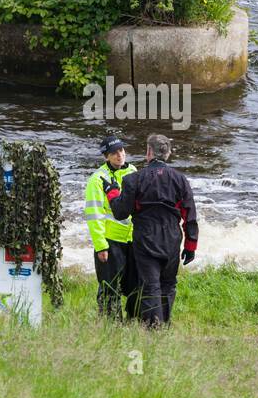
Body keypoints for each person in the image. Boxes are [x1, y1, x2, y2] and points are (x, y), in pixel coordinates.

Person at [104, 134, 198, 327]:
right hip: (172, 238)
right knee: (168, 284)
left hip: (146, 238)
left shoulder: (133, 179)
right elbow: (190, 216)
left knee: (150, 285)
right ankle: (163, 324)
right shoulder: (180, 180)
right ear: (169, 153)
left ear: (148, 152)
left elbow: (121, 212)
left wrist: (112, 192)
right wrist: (190, 246)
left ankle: (153, 328)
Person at [84, 136, 139, 319]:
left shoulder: (133, 171)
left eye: (121, 151)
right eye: (114, 153)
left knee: (134, 285)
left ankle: (134, 322)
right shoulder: (98, 179)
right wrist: (101, 245)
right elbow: (94, 215)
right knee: (109, 286)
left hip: (132, 240)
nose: (119, 155)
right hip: (110, 241)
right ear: (106, 157)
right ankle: (111, 325)